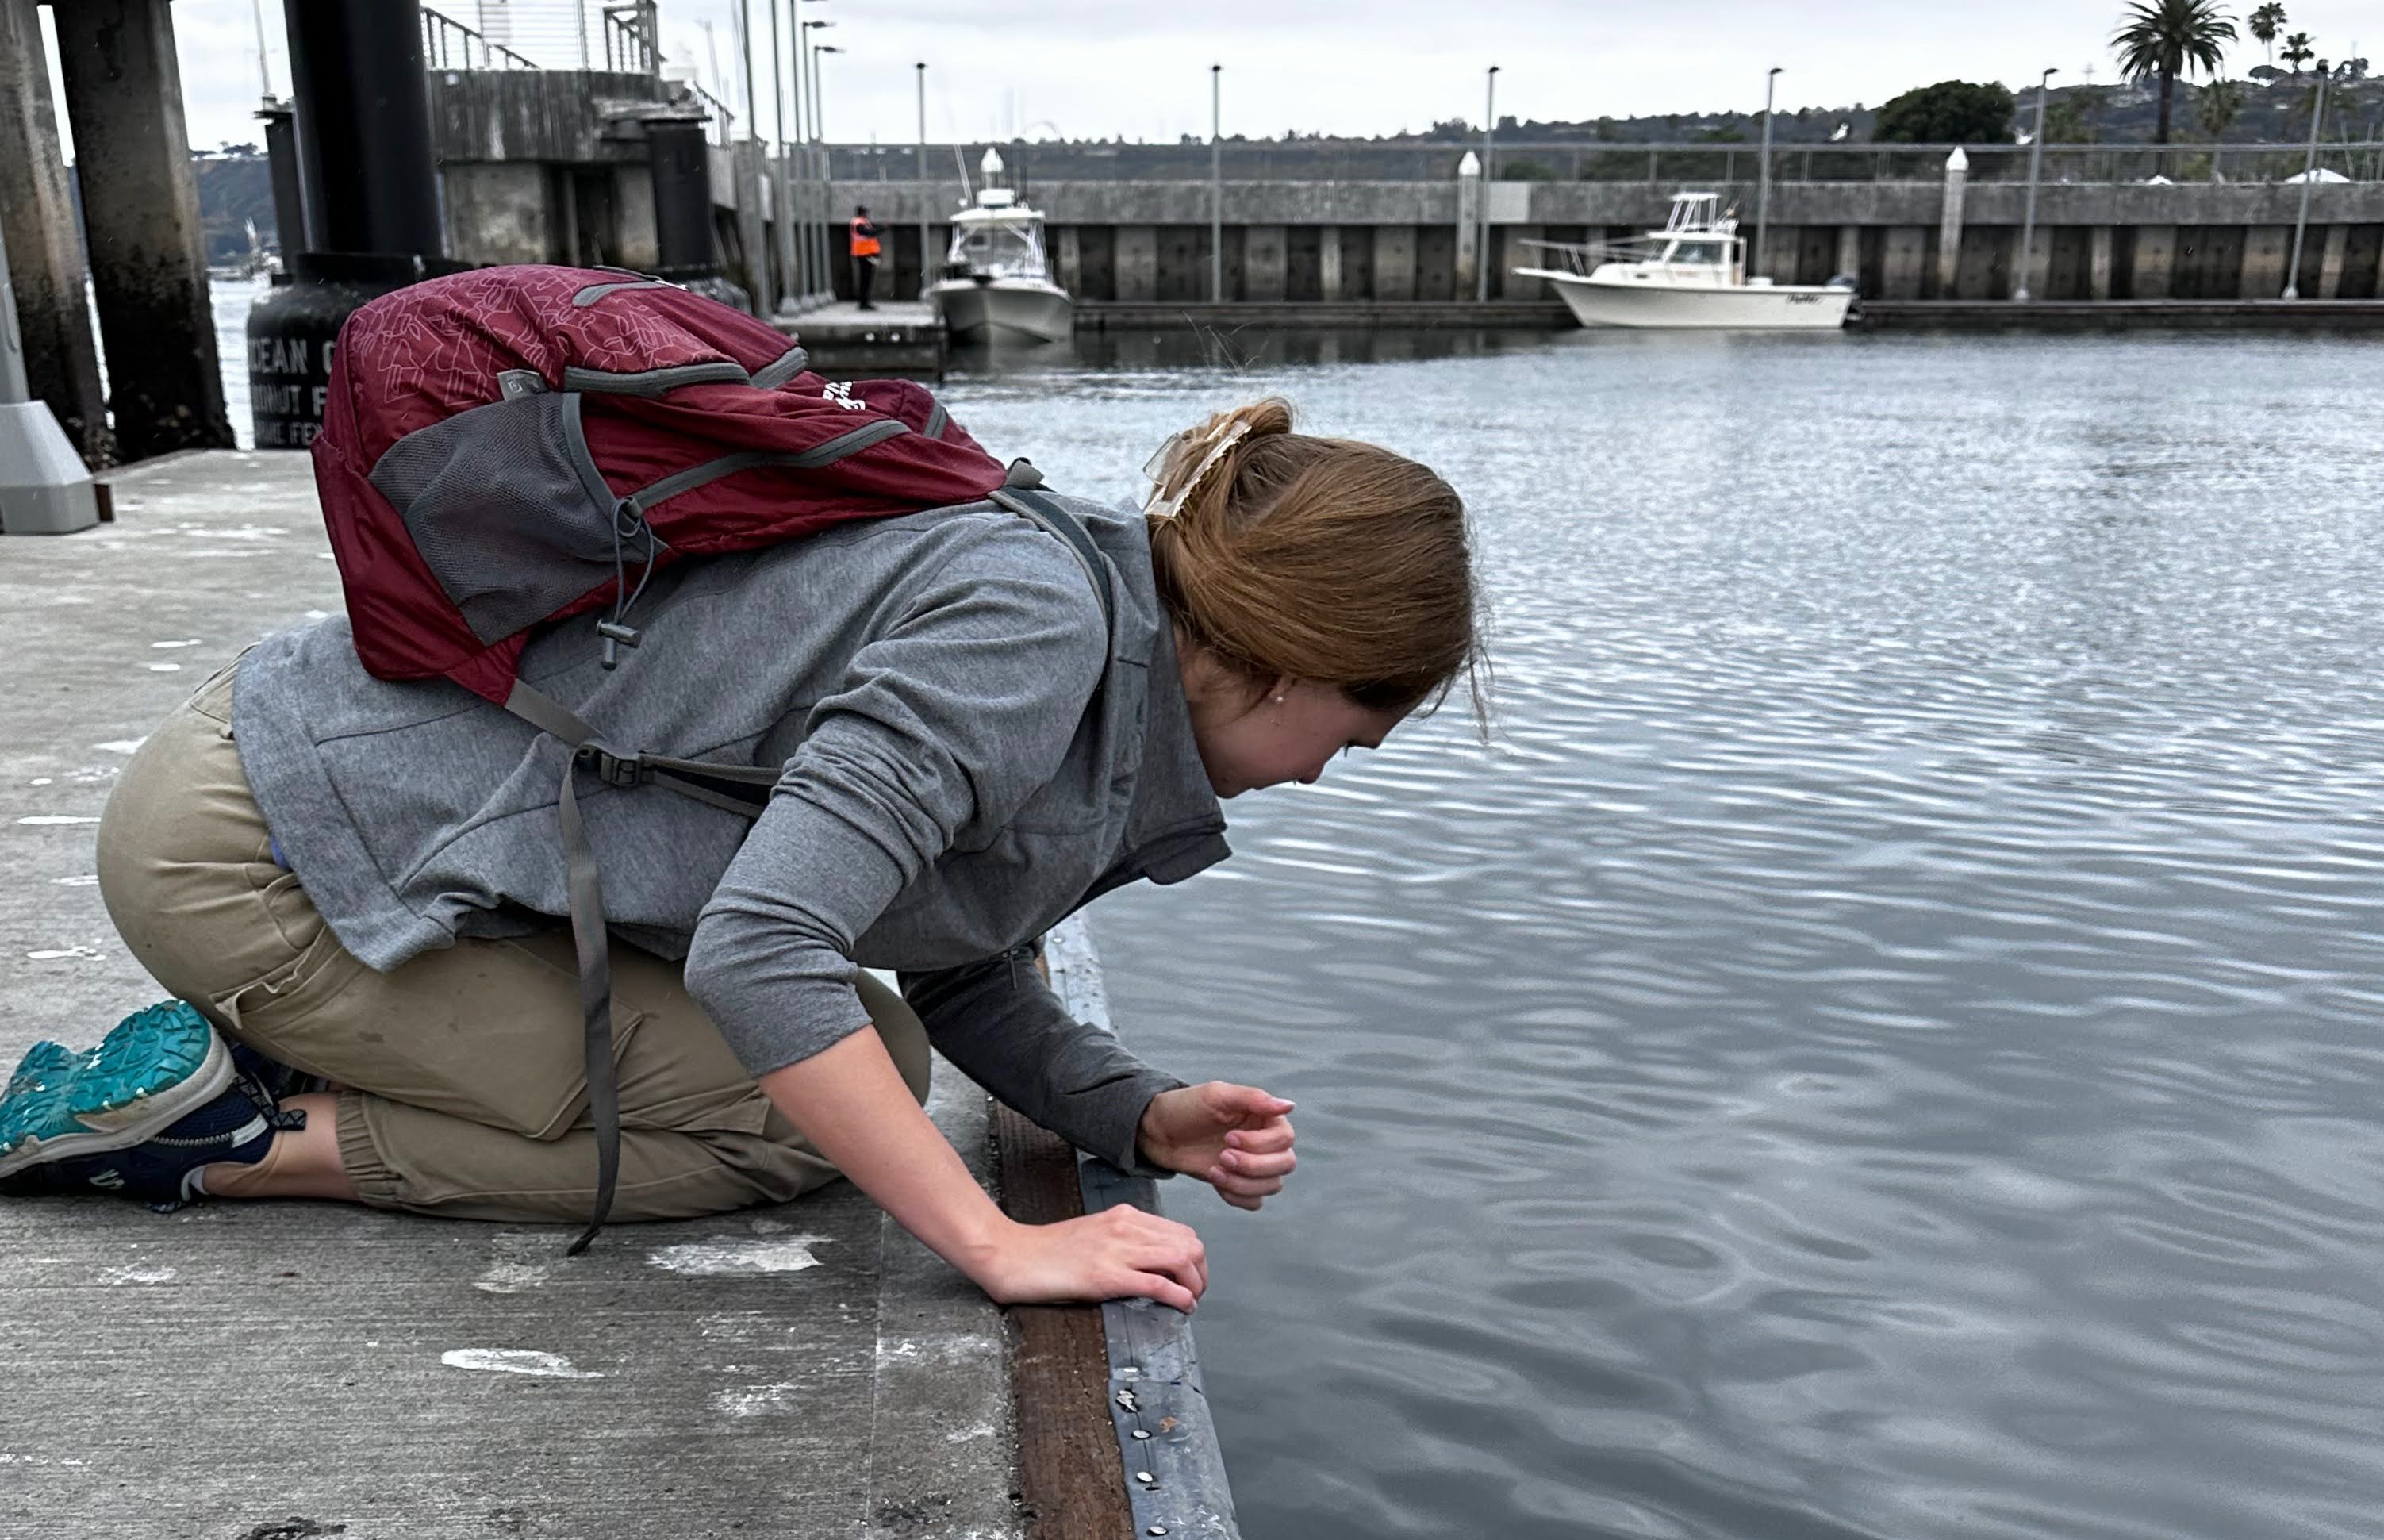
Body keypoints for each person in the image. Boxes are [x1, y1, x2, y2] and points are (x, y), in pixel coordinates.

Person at [0, 399, 1480, 1316]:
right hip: (265, 851)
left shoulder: (1088, 648)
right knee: (783, 1118)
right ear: (1286, 667)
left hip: (335, 806)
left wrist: (1135, 1110)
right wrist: (990, 1241)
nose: (1316, 779)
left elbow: (949, 952)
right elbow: (766, 947)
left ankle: (285, 1067)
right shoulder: (1034, 635)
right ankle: (237, 1137)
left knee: (865, 1052)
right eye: (1347, 741)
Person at [850, 204, 881, 309]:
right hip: (864, 254)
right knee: (866, 279)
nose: (867, 214)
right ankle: (864, 303)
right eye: (866, 212)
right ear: (862, 213)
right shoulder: (859, 223)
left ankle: (865, 302)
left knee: (867, 279)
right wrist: (881, 229)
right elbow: (868, 233)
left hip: (866, 254)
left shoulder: (861, 222)